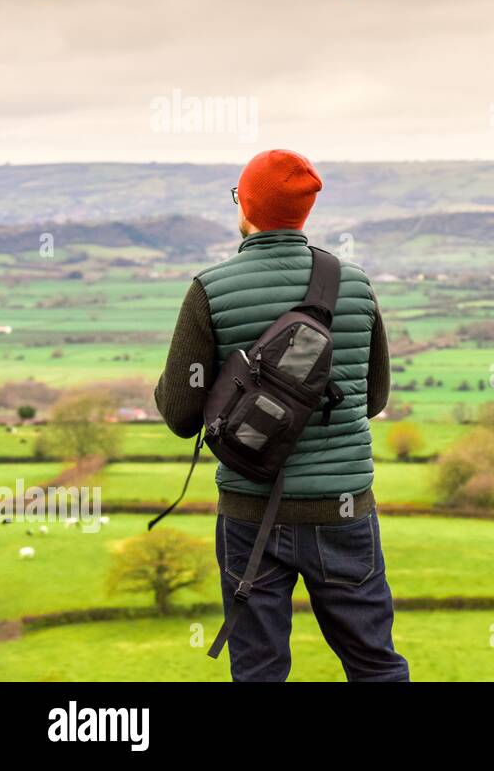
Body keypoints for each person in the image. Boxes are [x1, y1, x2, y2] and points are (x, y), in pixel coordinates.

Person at [154, 148, 408, 681]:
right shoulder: (355, 285)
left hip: (250, 513)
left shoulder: (210, 289)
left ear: (245, 205)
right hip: (343, 510)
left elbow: (179, 415)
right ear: (304, 213)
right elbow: (374, 398)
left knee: (260, 670)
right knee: (374, 665)